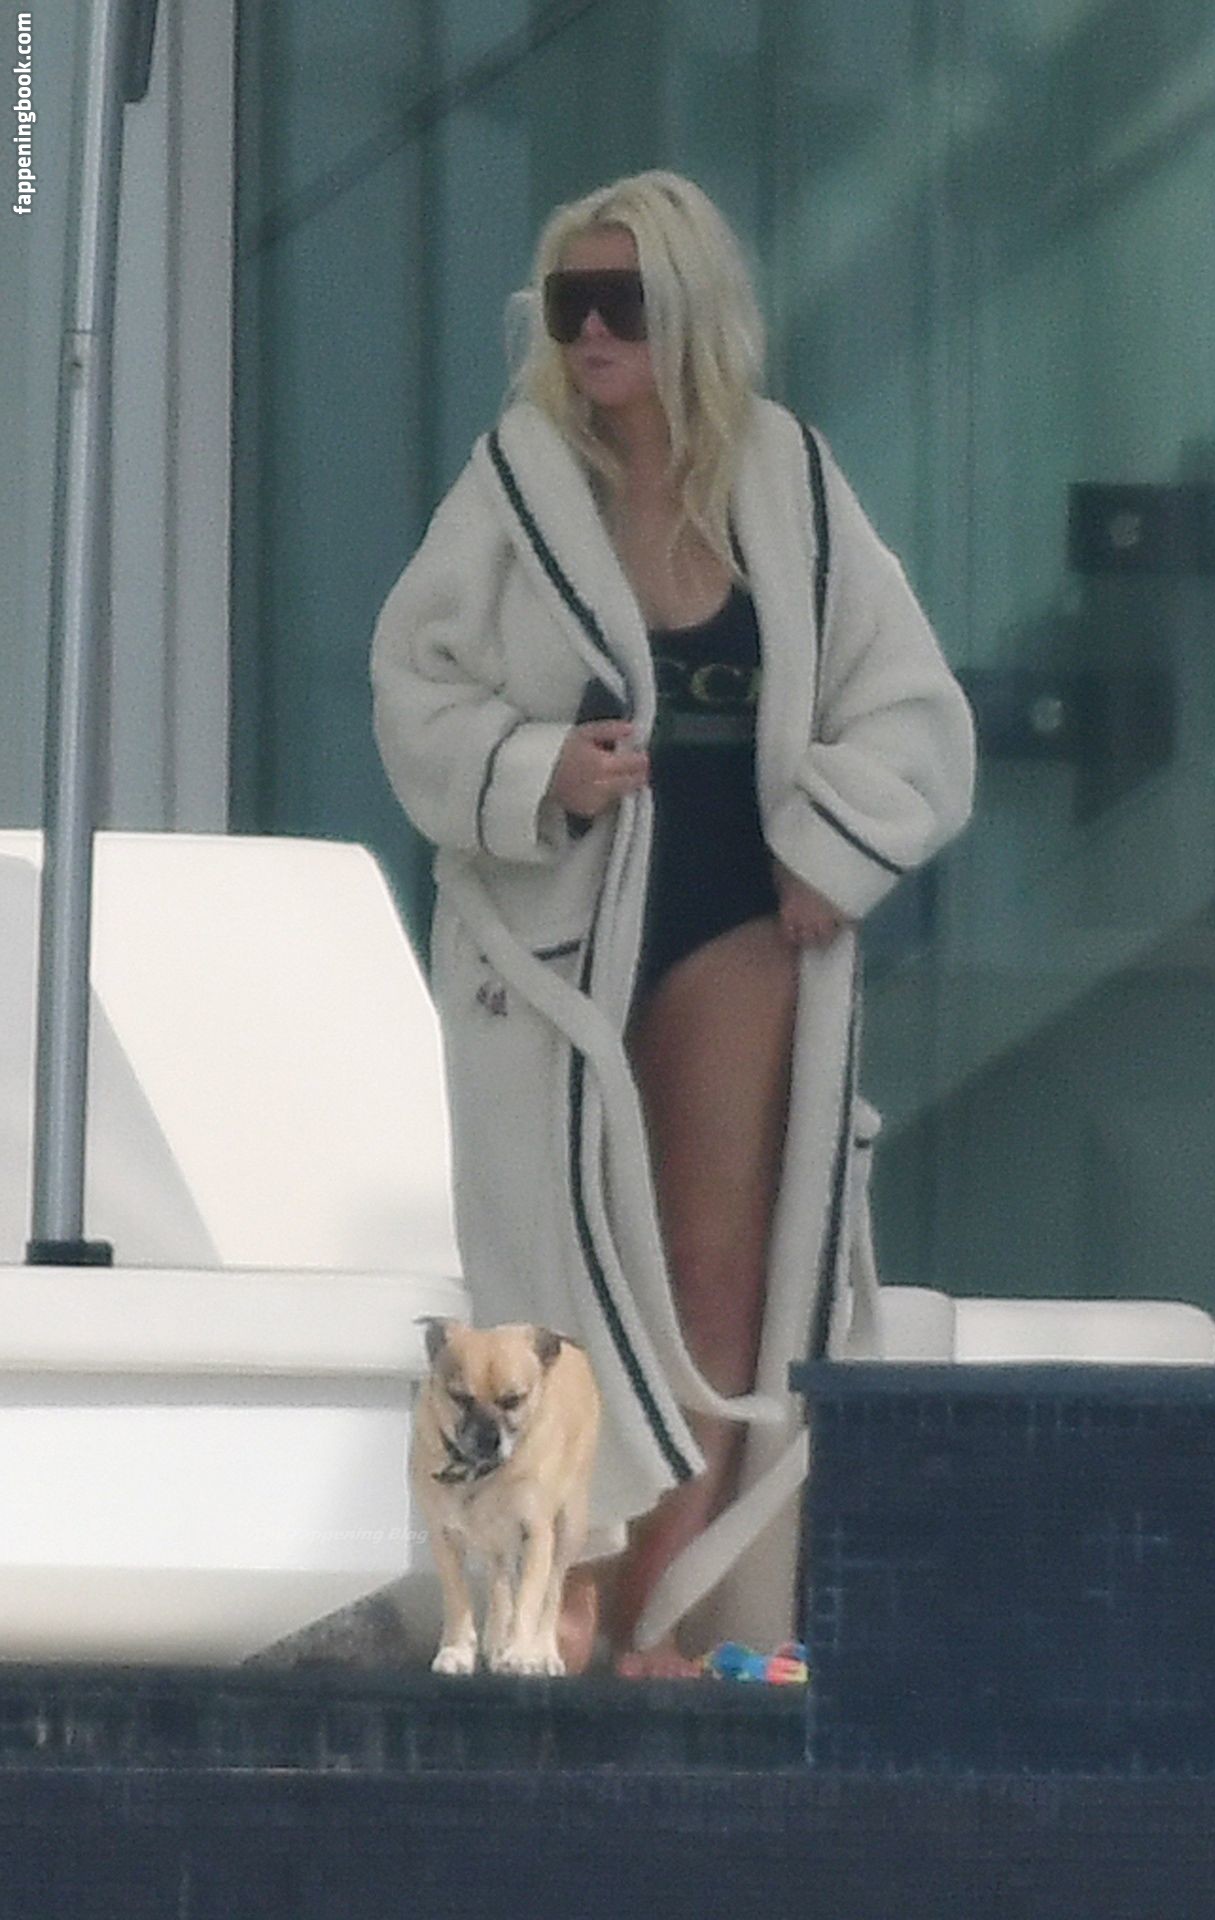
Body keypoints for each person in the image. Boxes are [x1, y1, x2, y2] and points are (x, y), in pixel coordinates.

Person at [371, 171, 975, 1676]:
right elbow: (415, 690)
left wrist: (834, 849)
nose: (590, 333)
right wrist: (538, 769)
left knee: (719, 1273)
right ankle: (559, 1584)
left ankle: (661, 1608)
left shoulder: (790, 484)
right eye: (570, 303)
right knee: (557, 1270)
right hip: (559, 924)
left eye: (623, 304)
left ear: (690, 312)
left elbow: (909, 706)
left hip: (735, 906)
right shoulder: (513, 484)